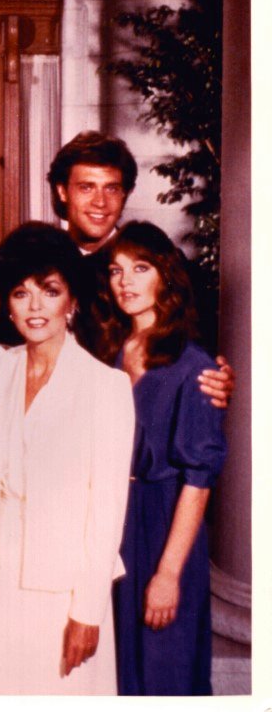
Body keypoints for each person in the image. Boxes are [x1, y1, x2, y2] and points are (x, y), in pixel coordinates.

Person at [0, 222, 135, 695]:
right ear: (7, 304)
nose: (34, 307)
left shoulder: (105, 386)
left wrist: (88, 611)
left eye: (49, 292)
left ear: (72, 301)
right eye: (20, 293)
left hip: (65, 591)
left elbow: (107, 510)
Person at [0, 131, 234, 407]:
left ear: (125, 194)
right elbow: (9, 348)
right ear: (62, 191)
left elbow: (199, 349)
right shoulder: (31, 259)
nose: (100, 202)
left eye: (111, 188)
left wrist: (217, 376)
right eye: (86, 187)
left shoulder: (160, 261)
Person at [97, 221, 227, 695]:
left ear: (165, 275)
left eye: (140, 268)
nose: (125, 281)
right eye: (116, 270)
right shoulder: (113, 353)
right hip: (115, 525)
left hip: (163, 527)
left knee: (163, 673)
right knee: (117, 674)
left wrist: (169, 573)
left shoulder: (195, 367)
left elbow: (198, 479)